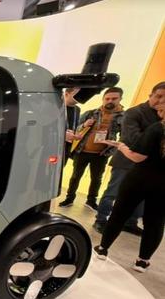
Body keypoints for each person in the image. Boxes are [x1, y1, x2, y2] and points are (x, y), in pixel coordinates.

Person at [93, 104, 165, 272]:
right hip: (163, 185)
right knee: (155, 222)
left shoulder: (156, 129)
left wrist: (121, 146)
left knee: (119, 213)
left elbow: (138, 157)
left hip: (140, 178)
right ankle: (142, 261)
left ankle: (103, 249)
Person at [93, 81, 165, 234]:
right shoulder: (134, 112)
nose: (161, 101)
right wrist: (156, 138)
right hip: (126, 160)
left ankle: (130, 223)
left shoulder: (161, 116)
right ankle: (101, 220)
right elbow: (133, 139)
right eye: (158, 96)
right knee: (113, 192)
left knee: (141, 197)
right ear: (150, 95)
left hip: (149, 166)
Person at [59, 87, 124, 210]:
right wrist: (84, 124)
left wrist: (114, 147)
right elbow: (76, 128)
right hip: (82, 151)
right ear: (103, 99)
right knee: (75, 176)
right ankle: (69, 198)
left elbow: (124, 136)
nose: (110, 101)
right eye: (107, 98)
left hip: (101, 154)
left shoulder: (123, 117)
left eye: (114, 98)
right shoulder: (91, 113)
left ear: (120, 99)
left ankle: (91, 201)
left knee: (96, 179)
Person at [63, 87, 81, 164]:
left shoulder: (77, 109)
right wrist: (63, 135)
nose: (80, 97)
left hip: (68, 146)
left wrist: (76, 134)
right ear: (67, 94)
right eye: (77, 94)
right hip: (54, 145)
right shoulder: (56, 107)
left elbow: (75, 125)